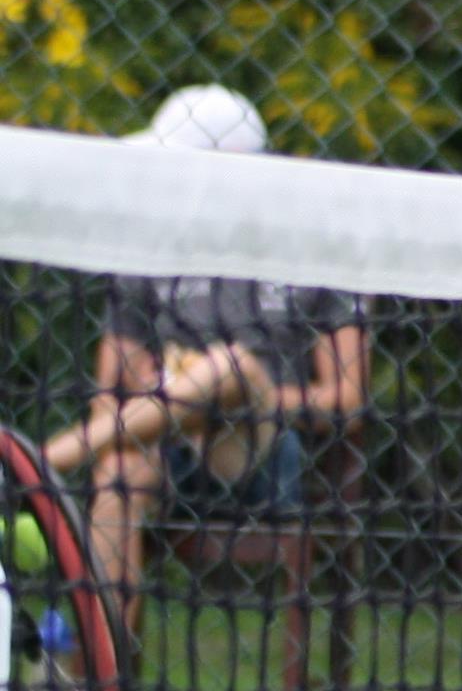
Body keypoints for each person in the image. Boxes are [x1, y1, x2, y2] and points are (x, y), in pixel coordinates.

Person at [45, 86, 371, 634]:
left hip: (262, 452)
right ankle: (93, 674)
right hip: (164, 446)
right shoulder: (147, 246)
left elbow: (349, 401)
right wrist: (166, 385)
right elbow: (109, 394)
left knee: (233, 367)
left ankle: (40, 464)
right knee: (120, 469)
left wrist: (213, 378)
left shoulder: (314, 243)